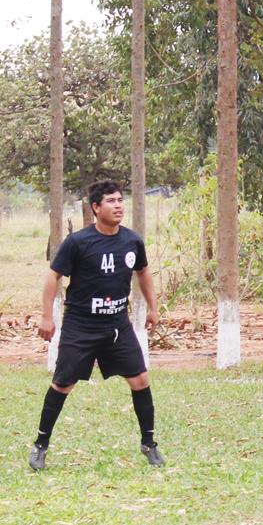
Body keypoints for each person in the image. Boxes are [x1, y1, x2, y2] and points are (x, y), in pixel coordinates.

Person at [28, 180, 163, 471]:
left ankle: (149, 444)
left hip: (117, 326)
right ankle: (40, 445)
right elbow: (53, 277)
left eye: (120, 200)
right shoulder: (78, 243)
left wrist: (153, 308)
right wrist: (47, 316)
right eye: (111, 201)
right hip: (81, 326)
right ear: (96, 207)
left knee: (140, 380)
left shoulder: (132, 241)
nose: (118, 206)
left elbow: (143, 271)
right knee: (63, 384)